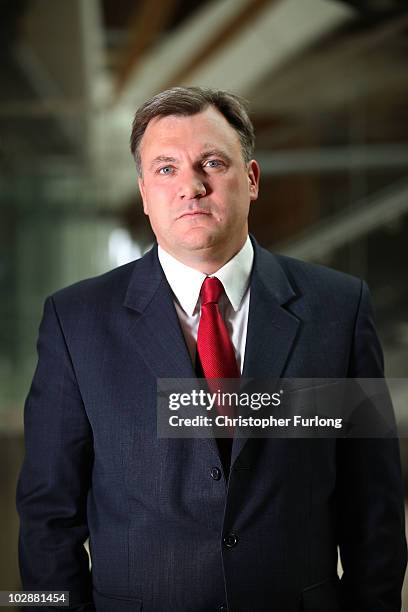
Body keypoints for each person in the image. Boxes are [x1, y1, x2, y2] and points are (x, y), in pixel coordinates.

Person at [16, 87, 406, 611]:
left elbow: (374, 506)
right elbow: (48, 518)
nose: (191, 186)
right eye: (166, 168)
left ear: (251, 180)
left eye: (213, 162)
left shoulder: (337, 309)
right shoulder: (76, 321)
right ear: (143, 192)